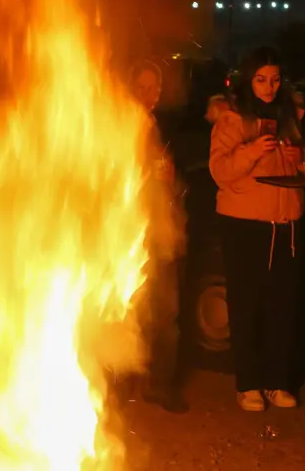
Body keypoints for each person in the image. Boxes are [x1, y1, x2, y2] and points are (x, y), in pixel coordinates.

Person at [209, 46, 305, 412]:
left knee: (281, 306)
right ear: (249, 80)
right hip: (244, 223)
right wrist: (251, 151)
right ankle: (247, 384)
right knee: (247, 305)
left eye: (275, 80)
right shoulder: (232, 119)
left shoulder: (289, 115)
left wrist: (302, 156)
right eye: (262, 80)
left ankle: (276, 382)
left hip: (285, 223)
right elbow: (220, 170)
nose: (269, 87)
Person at [128, 59, 188, 413]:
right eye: (143, 87)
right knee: (130, 311)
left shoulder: (158, 125)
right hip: (129, 232)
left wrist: (168, 176)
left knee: (166, 311)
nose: (150, 95)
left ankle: (160, 385)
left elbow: (172, 179)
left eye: (156, 89)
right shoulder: (116, 125)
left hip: (160, 229)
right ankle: (122, 387)